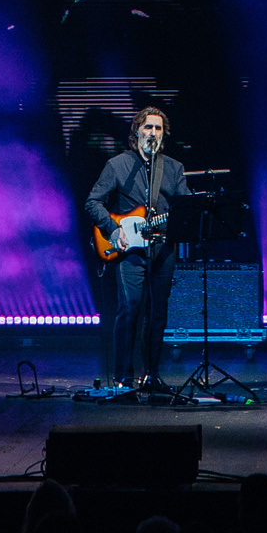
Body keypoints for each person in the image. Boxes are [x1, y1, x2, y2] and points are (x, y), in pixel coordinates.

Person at [83, 106, 192, 390]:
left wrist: (184, 216)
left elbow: (186, 209)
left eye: (157, 128)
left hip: (162, 249)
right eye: (147, 127)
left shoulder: (174, 168)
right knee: (129, 309)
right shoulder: (118, 165)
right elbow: (93, 201)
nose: (152, 133)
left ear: (163, 136)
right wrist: (113, 228)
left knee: (158, 312)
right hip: (129, 250)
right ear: (137, 133)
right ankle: (123, 377)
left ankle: (152, 375)